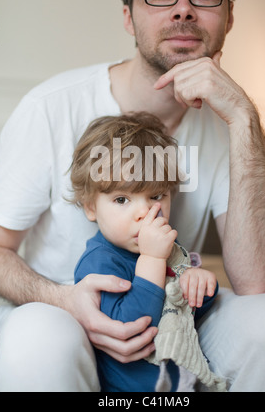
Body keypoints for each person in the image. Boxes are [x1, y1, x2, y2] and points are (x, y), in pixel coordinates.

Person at [0, 0, 265, 392]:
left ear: (228, 17)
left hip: (166, 312)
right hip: (57, 314)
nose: (184, 10)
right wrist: (62, 300)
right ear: (129, 16)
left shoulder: (226, 121)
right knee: (38, 337)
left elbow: (254, 282)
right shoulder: (51, 108)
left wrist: (244, 117)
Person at [71, 112, 222, 392]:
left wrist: (199, 285)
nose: (144, 212)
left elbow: (184, 315)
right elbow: (130, 326)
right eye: (121, 199)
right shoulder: (100, 263)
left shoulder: (166, 250)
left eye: (156, 196)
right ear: (91, 207)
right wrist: (152, 259)